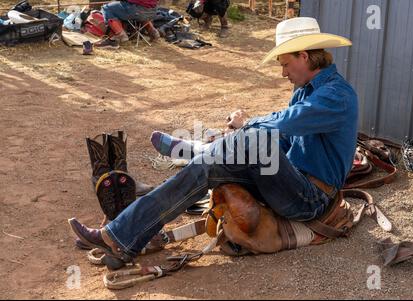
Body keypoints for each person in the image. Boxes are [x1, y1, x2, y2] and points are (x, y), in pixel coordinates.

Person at [69, 17, 358, 265]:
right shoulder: (305, 91)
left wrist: (248, 127)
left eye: (284, 64)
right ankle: (120, 235)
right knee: (206, 167)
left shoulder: (338, 95)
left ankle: (203, 148)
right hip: (289, 182)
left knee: (252, 141)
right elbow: (283, 141)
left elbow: (286, 123)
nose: (283, 72)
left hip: (311, 198)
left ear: (304, 56)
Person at [96, 0, 160, 49]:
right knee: (143, 10)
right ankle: (153, 33)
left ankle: (119, 37)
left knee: (107, 8)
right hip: (153, 11)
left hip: (137, 10)